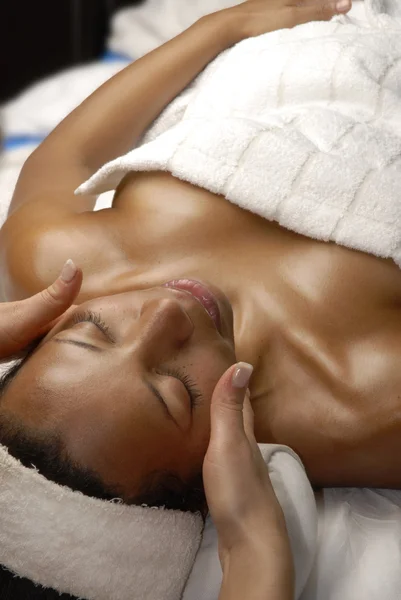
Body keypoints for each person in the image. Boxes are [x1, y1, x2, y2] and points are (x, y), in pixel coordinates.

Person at [0, 270, 294, 599]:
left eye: (92, 328)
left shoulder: (31, 255)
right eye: (179, 392)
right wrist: (251, 538)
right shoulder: (341, 422)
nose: (164, 312)